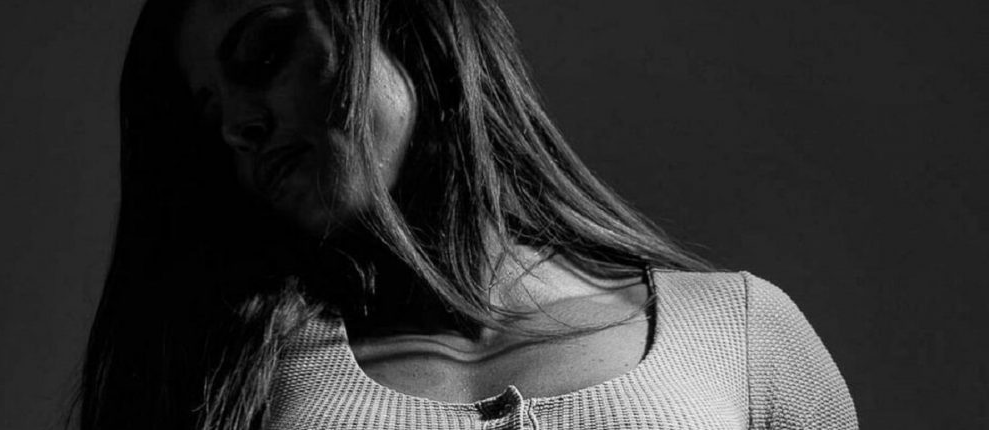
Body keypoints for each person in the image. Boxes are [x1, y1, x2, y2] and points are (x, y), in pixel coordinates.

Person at [74, 0, 858, 428]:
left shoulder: (743, 335)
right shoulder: (233, 389)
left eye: (264, 52)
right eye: (209, 112)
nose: (238, 125)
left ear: (399, 22)